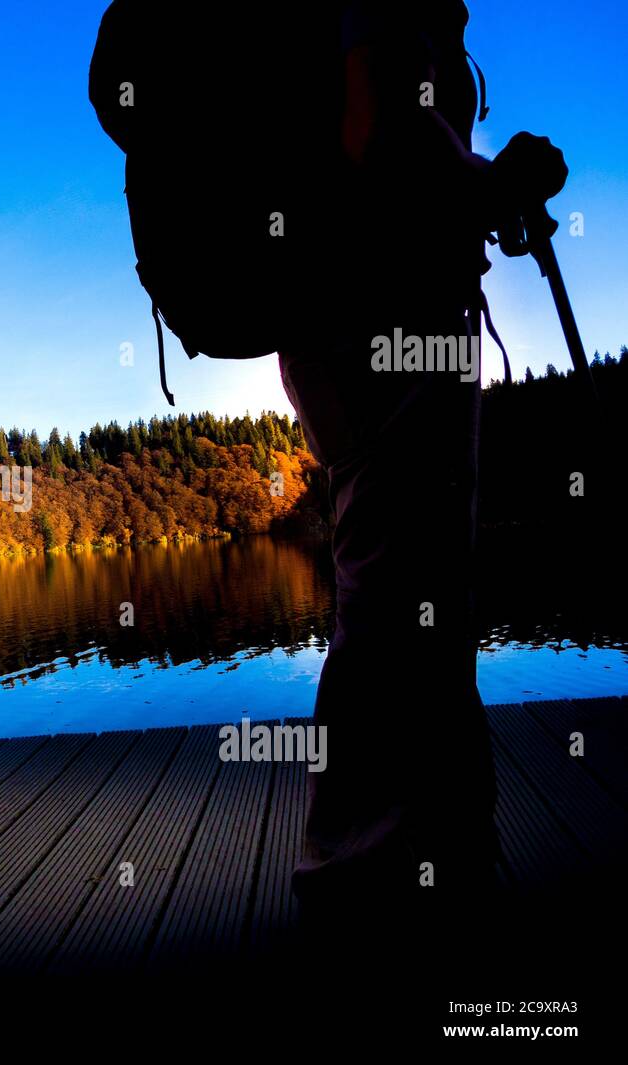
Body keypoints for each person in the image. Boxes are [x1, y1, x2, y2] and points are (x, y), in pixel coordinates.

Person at [280, 2, 568, 937]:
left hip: (361, 324)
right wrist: (489, 189)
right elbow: (381, 138)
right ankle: (379, 882)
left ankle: (405, 856)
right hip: (385, 326)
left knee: (400, 588)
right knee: (406, 591)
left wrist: (481, 184)